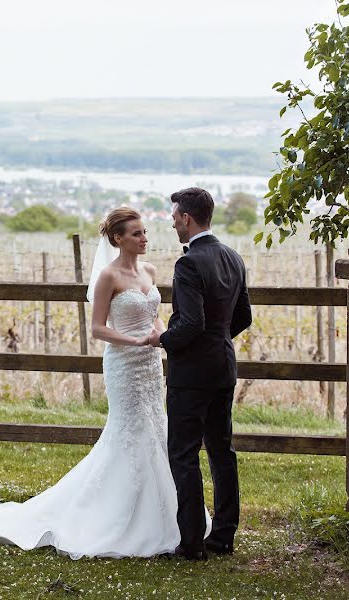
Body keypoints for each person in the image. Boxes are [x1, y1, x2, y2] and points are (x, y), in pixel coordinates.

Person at [0, 206, 210, 559]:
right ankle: (117, 517)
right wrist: (136, 341)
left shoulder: (150, 271)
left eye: (144, 232)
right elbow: (98, 328)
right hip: (125, 364)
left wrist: (164, 338)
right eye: (137, 233)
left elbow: (153, 317)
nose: (145, 239)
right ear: (118, 239)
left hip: (151, 365)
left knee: (158, 431)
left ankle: (172, 520)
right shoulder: (108, 277)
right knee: (129, 432)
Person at [147, 187, 252, 561]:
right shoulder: (232, 256)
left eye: (175, 217)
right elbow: (243, 318)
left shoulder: (188, 263)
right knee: (222, 452)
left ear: (187, 218)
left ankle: (191, 543)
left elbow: (190, 323)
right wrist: (215, 341)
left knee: (184, 454)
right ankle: (223, 537)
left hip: (191, 374)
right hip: (223, 366)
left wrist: (164, 340)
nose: (173, 222)